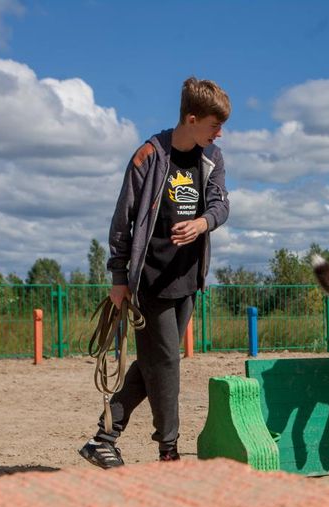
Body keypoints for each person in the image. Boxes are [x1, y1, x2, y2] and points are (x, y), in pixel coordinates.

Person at [79, 77, 230, 468]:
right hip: (149, 280)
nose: (219, 133)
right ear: (191, 118)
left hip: (187, 279)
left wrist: (202, 224)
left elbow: (221, 205)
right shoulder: (149, 155)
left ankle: (103, 439)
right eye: (214, 125)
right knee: (166, 365)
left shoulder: (212, 157)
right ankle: (169, 450)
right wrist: (118, 278)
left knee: (153, 366)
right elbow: (122, 220)